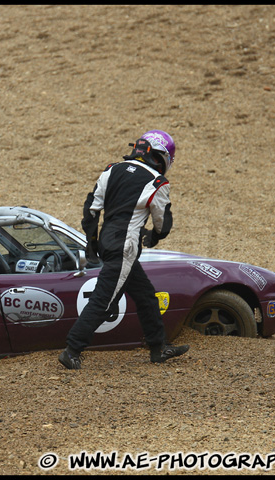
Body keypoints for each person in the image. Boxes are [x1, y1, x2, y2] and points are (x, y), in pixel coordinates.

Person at [59, 130, 190, 369]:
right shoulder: (157, 182)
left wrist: (92, 242)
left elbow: (91, 208)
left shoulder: (111, 169)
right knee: (105, 300)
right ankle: (72, 349)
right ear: (162, 156)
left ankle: (158, 347)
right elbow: (162, 222)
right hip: (125, 247)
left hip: (107, 242)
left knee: (145, 295)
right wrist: (155, 236)